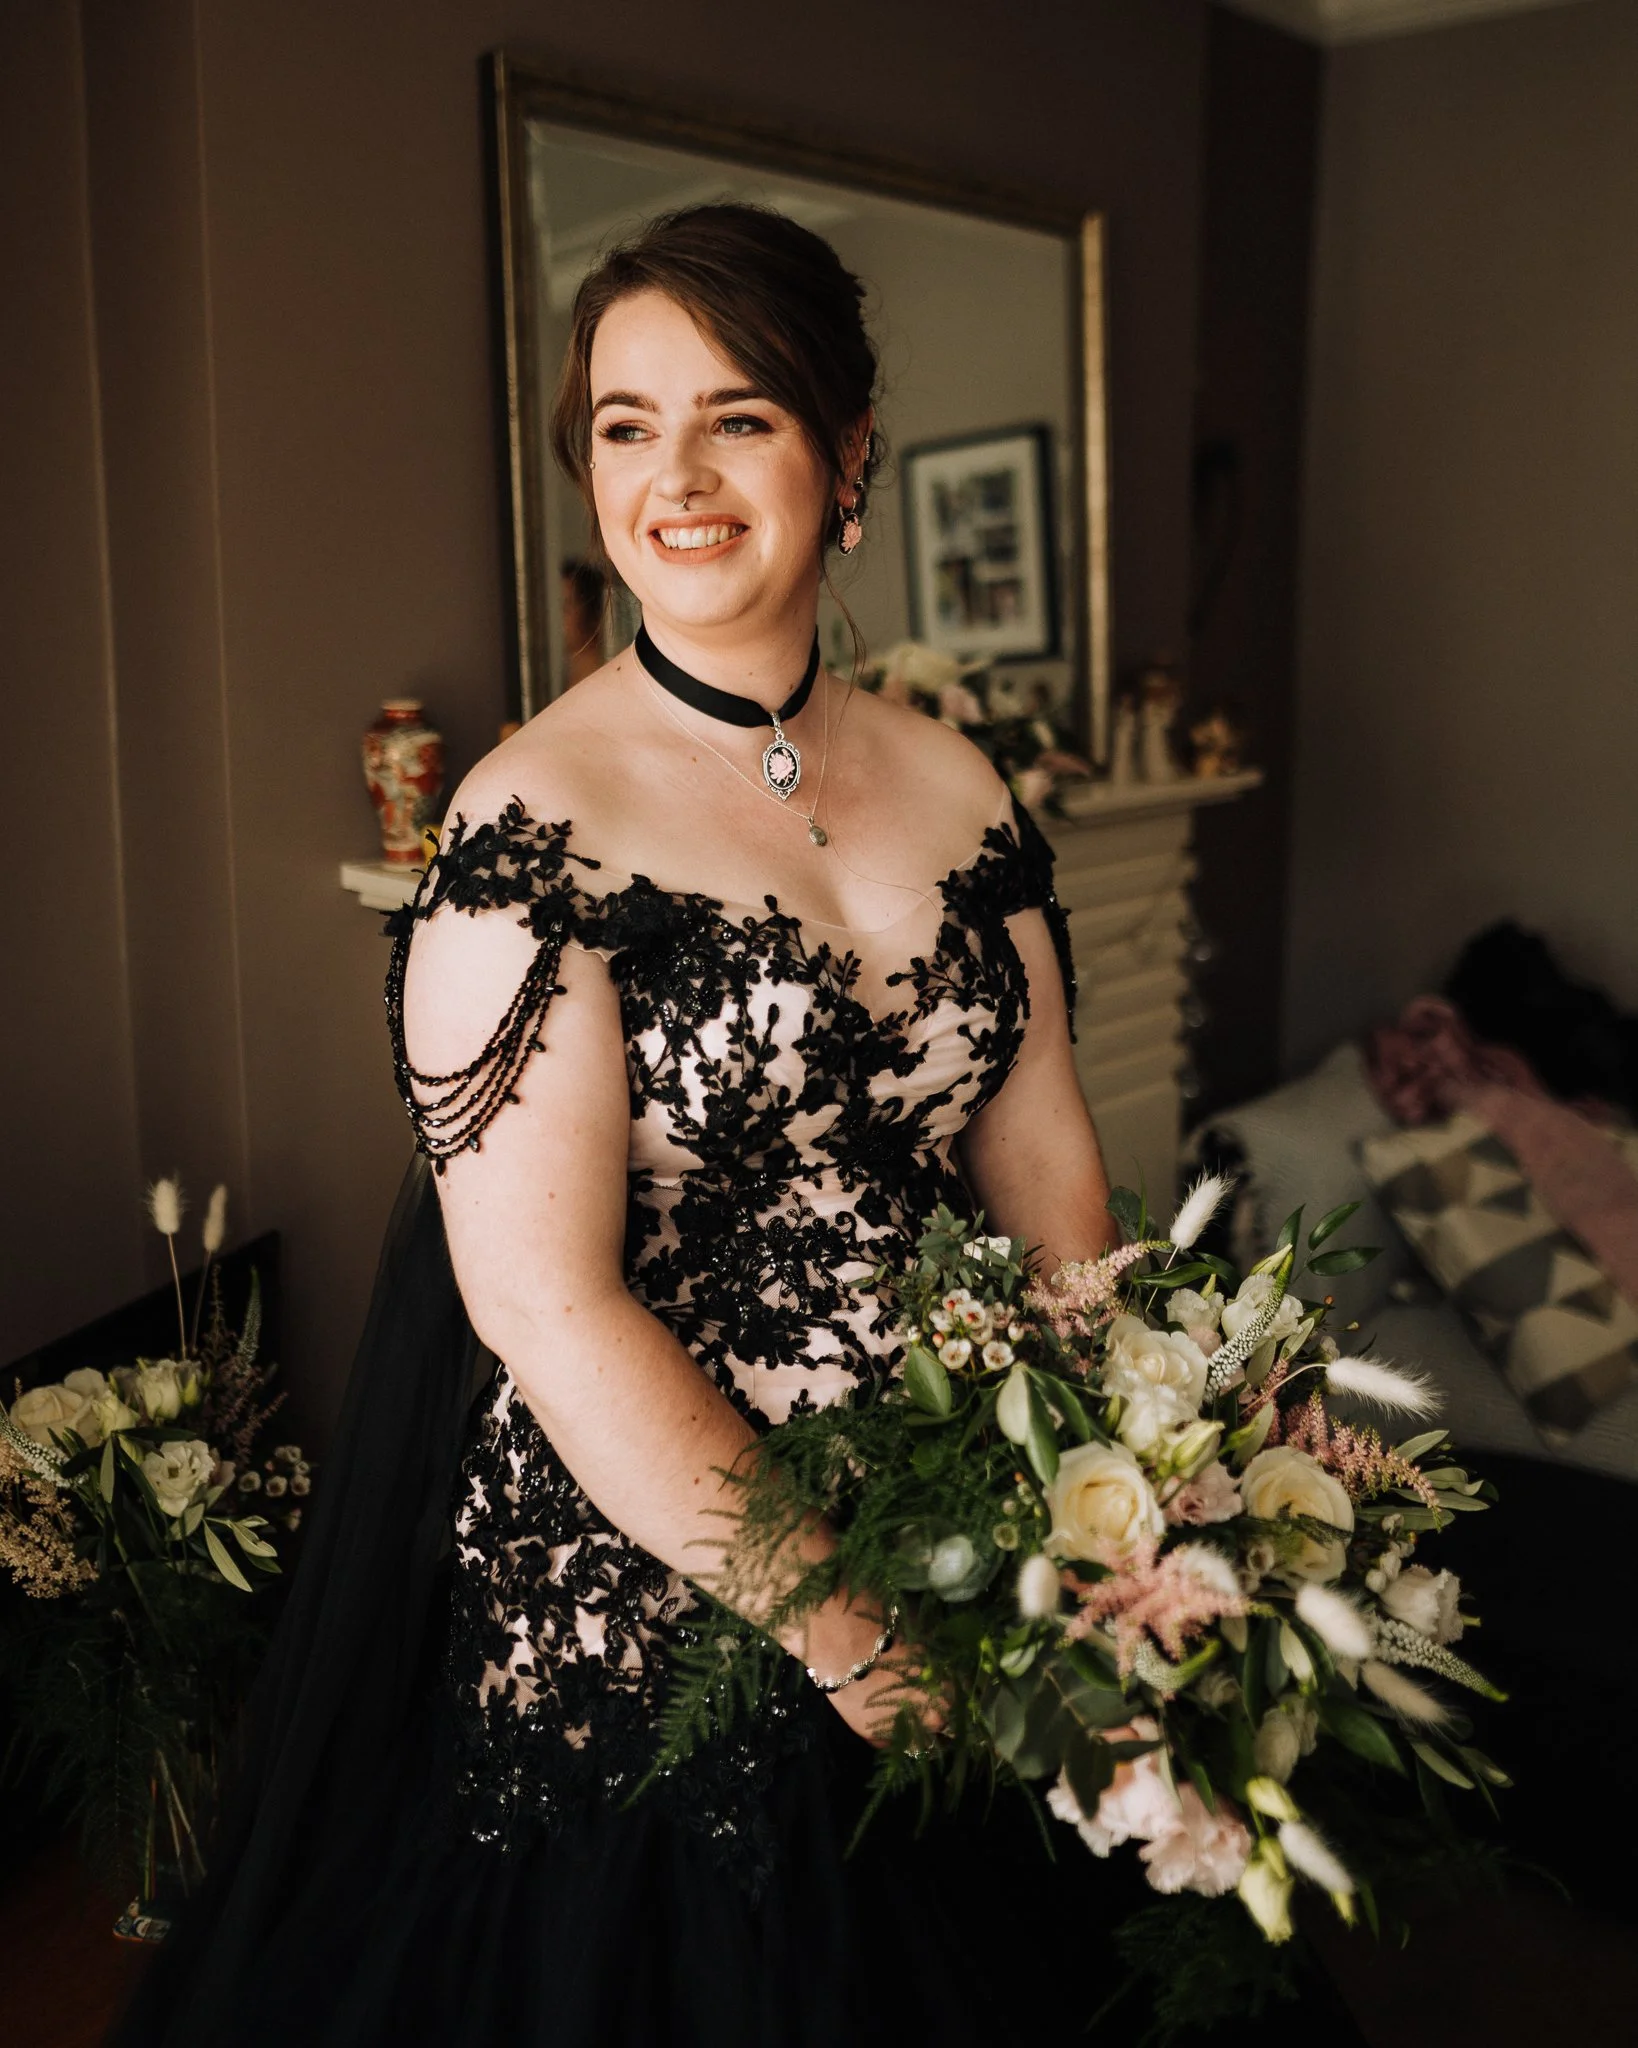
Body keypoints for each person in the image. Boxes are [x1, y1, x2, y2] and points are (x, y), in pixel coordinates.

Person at [112, 205, 1364, 2047]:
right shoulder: (525, 825)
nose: (674, 478)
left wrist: (1146, 1485)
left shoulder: (958, 783)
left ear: (847, 456)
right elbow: (540, 1304)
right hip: (668, 1572)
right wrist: (842, 1627)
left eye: (737, 416)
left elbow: (1048, 1183)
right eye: (625, 425)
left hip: (967, 1505)